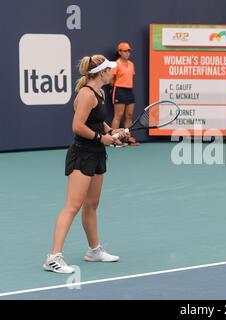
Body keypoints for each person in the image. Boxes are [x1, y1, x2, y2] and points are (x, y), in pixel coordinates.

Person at [43, 55, 128, 273]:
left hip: (97, 154)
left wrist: (111, 132)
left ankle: (94, 250)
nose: (113, 72)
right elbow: (77, 126)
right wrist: (102, 138)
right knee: (72, 206)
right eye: (110, 69)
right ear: (101, 73)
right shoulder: (86, 94)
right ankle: (53, 257)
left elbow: (98, 120)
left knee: (92, 205)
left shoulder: (100, 92)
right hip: (82, 154)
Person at [111, 42, 139, 146]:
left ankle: (127, 138)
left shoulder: (131, 64)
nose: (127, 53)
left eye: (129, 51)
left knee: (129, 116)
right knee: (118, 116)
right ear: (119, 52)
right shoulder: (116, 64)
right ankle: (114, 138)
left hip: (129, 91)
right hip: (119, 90)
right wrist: (113, 87)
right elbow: (111, 79)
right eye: (125, 51)